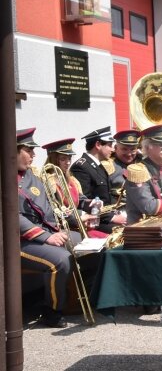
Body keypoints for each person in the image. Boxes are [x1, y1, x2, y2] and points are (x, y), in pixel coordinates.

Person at [17, 128, 81, 328]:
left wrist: (57, 230)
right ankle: (52, 310)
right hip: (16, 241)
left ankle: (77, 298)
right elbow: (12, 217)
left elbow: (46, 209)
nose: (33, 155)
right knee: (60, 260)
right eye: (29, 150)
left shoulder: (32, 177)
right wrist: (46, 236)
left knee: (80, 240)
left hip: (39, 235)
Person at [41, 138, 106, 238]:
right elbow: (55, 211)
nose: (68, 163)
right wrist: (80, 216)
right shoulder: (49, 182)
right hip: (62, 229)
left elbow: (80, 199)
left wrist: (91, 203)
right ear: (53, 160)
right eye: (63, 159)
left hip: (77, 226)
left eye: (69, 158)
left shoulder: (72, 180)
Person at [70, 126, 126, 232]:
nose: (112, 149)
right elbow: (84, 202)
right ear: (98, 145)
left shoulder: (96, 166)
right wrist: (111, 217)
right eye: (109, 145)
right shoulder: (81, 167)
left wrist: (115, 213)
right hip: (94, 222)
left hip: (104, 217)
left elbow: (106, 198)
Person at [124, 124, 162, 225]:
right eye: (159, 143)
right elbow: (149, 207)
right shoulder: (137, 171)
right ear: (147, 147)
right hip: (144, 233)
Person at [103, 128, 141, 205]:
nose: (129, 154)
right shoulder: (107, 166)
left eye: (133, 149)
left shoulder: (142, 164)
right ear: (116, 148)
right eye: (124, 149)